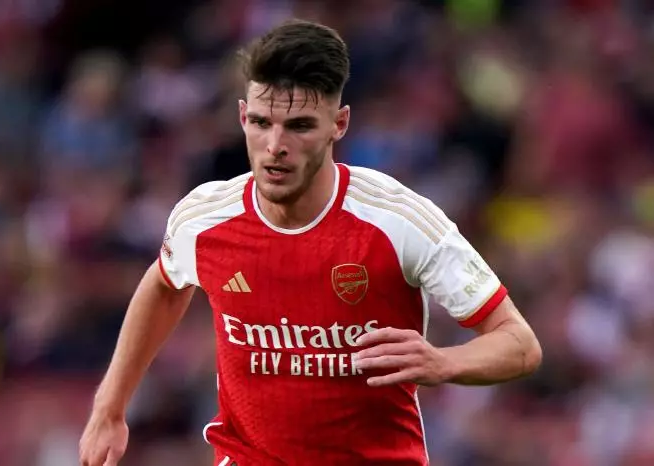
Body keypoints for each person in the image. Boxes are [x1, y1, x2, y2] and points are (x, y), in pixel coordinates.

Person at [78, 19, 542, 466]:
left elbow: (519, 344)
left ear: (339, 124)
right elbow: (164, 285)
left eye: (299, 126)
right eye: (260, 122)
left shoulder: (398, 221)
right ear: (242, 116)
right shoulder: (204, 218)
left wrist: (443, 362)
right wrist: (109, 407)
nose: (275, 145)